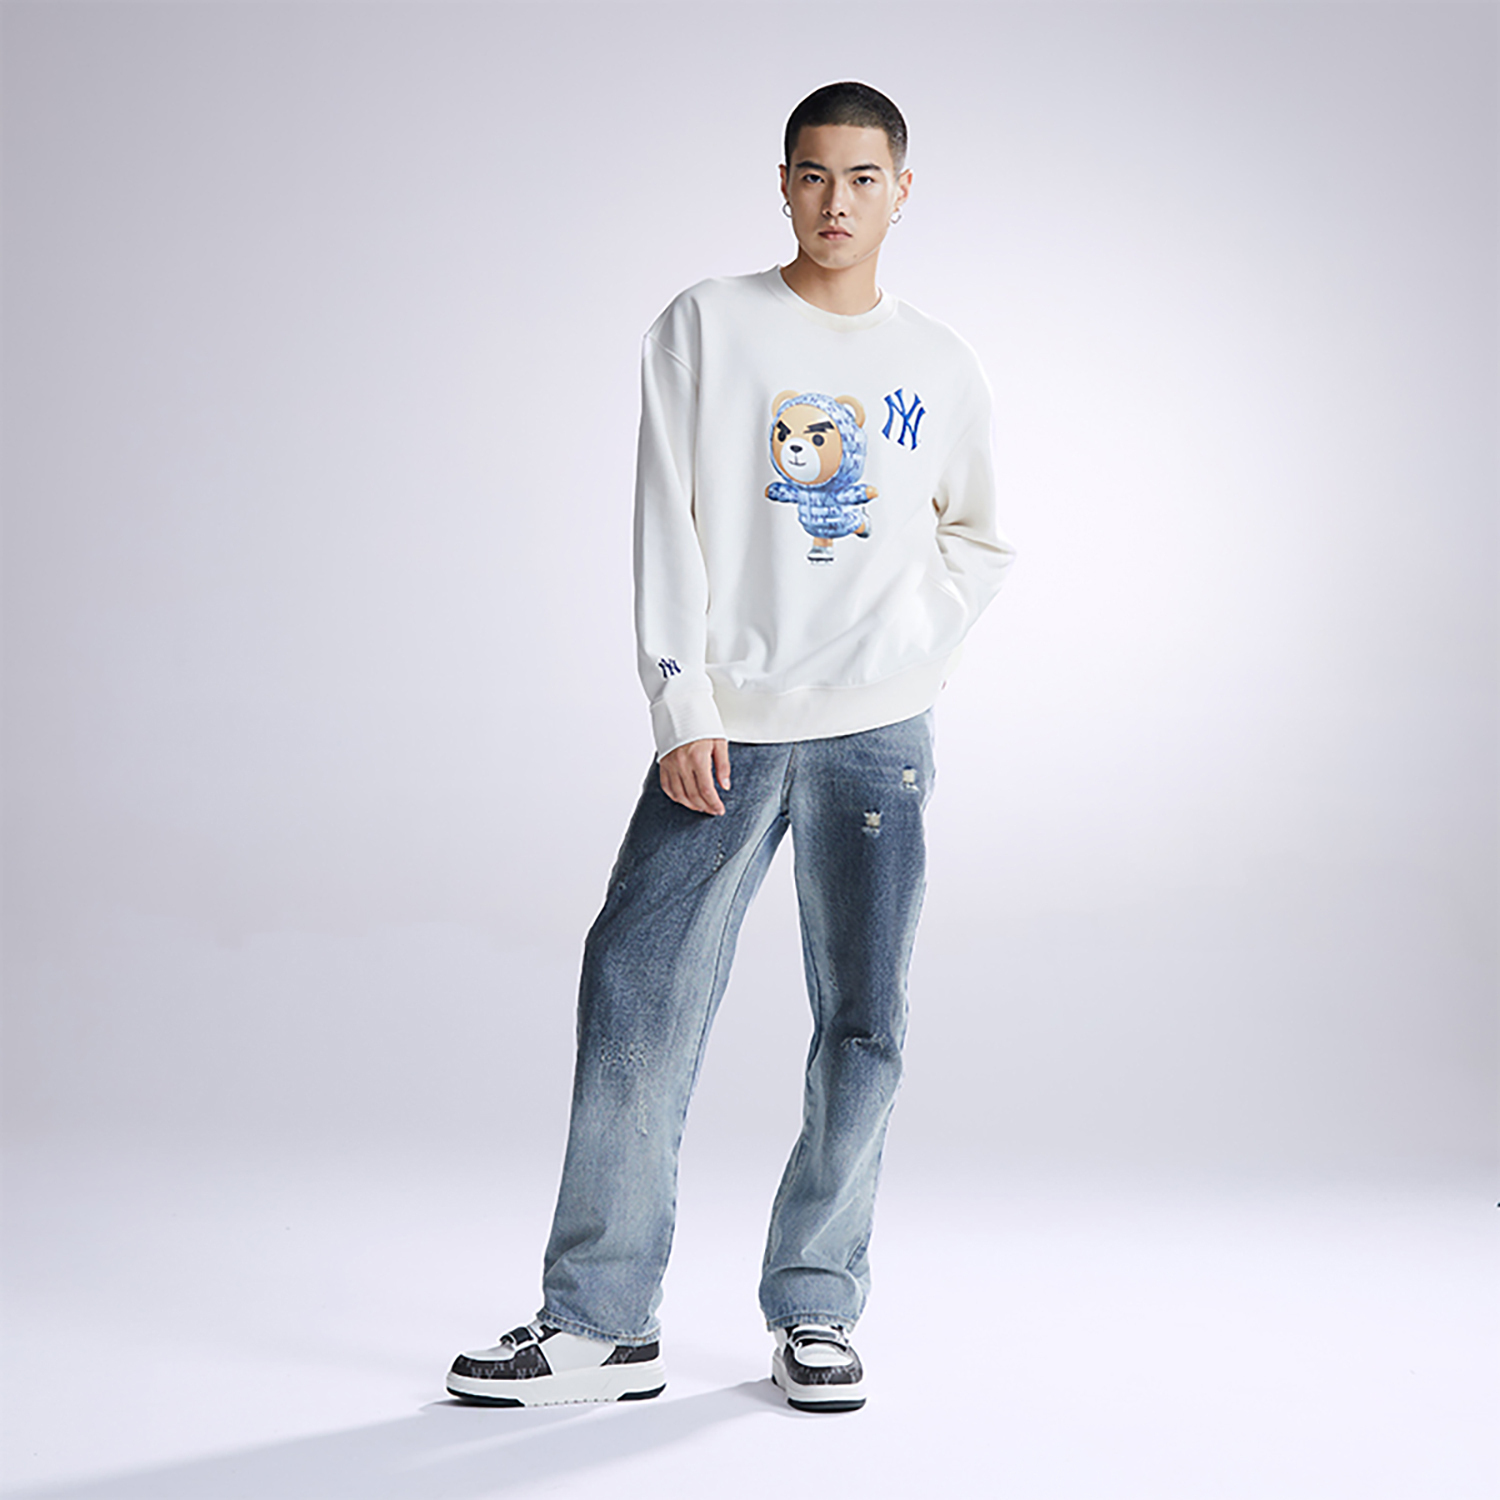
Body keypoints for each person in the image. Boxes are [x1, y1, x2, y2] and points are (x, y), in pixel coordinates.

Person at [446, 81, 1014, 1414]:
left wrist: (904, 651)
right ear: (784, 183)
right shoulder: (705, 326)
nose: (836, 202)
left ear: (902, 191)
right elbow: (670, 518)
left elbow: (980, 538)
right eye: (814, 175)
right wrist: (681, 704)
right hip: (731, 730)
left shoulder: (941, 362)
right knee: (636, 989)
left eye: (863, 178)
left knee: (862, 1021)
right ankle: (602, 1326)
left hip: (877, 737)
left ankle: (817, 1307)